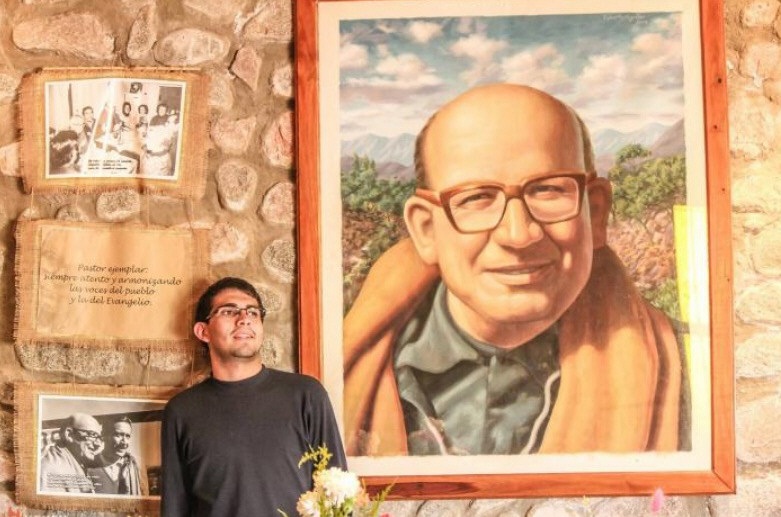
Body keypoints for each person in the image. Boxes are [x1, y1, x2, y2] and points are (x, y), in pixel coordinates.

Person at [343, 84, 687, 456]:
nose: (519, 234)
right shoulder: (346, 369)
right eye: (477, 198)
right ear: (426, 230)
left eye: (548, 190)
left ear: (596, 212)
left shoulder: (689, 367)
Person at [161, 277, 346, 516]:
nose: (244, 318)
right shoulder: (181, 411)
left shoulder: (307, 395)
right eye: (229, 311)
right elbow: (174, 507)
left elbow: (338, 492)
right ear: (203, 331)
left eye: (253, 312)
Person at [39, 413, 103, 493]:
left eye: (99, 438)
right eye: (92, 435)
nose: (98, 444)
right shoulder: (52, 469)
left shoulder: (75, 462)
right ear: (69, 434)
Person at [88, 417, 146, 495]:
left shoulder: (136, 466)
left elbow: (144, 498)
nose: (124, 442)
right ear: (104, 435)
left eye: (127, 436)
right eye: (118, 435)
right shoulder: (89, 465)